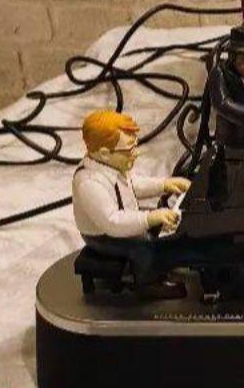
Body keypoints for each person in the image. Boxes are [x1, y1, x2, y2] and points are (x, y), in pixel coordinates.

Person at [72, 110, 190, 285]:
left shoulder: (111, 166)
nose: (136, 153)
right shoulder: (89, 183)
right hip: (102, 236)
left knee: (157, 224)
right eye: (129, 149)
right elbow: (112, 222)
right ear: (104, 153)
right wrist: (149, 218)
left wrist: (164, 185)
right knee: (144, 245)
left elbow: (133, 185)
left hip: (120, 219)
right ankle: (148, 284)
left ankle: (164, 260)